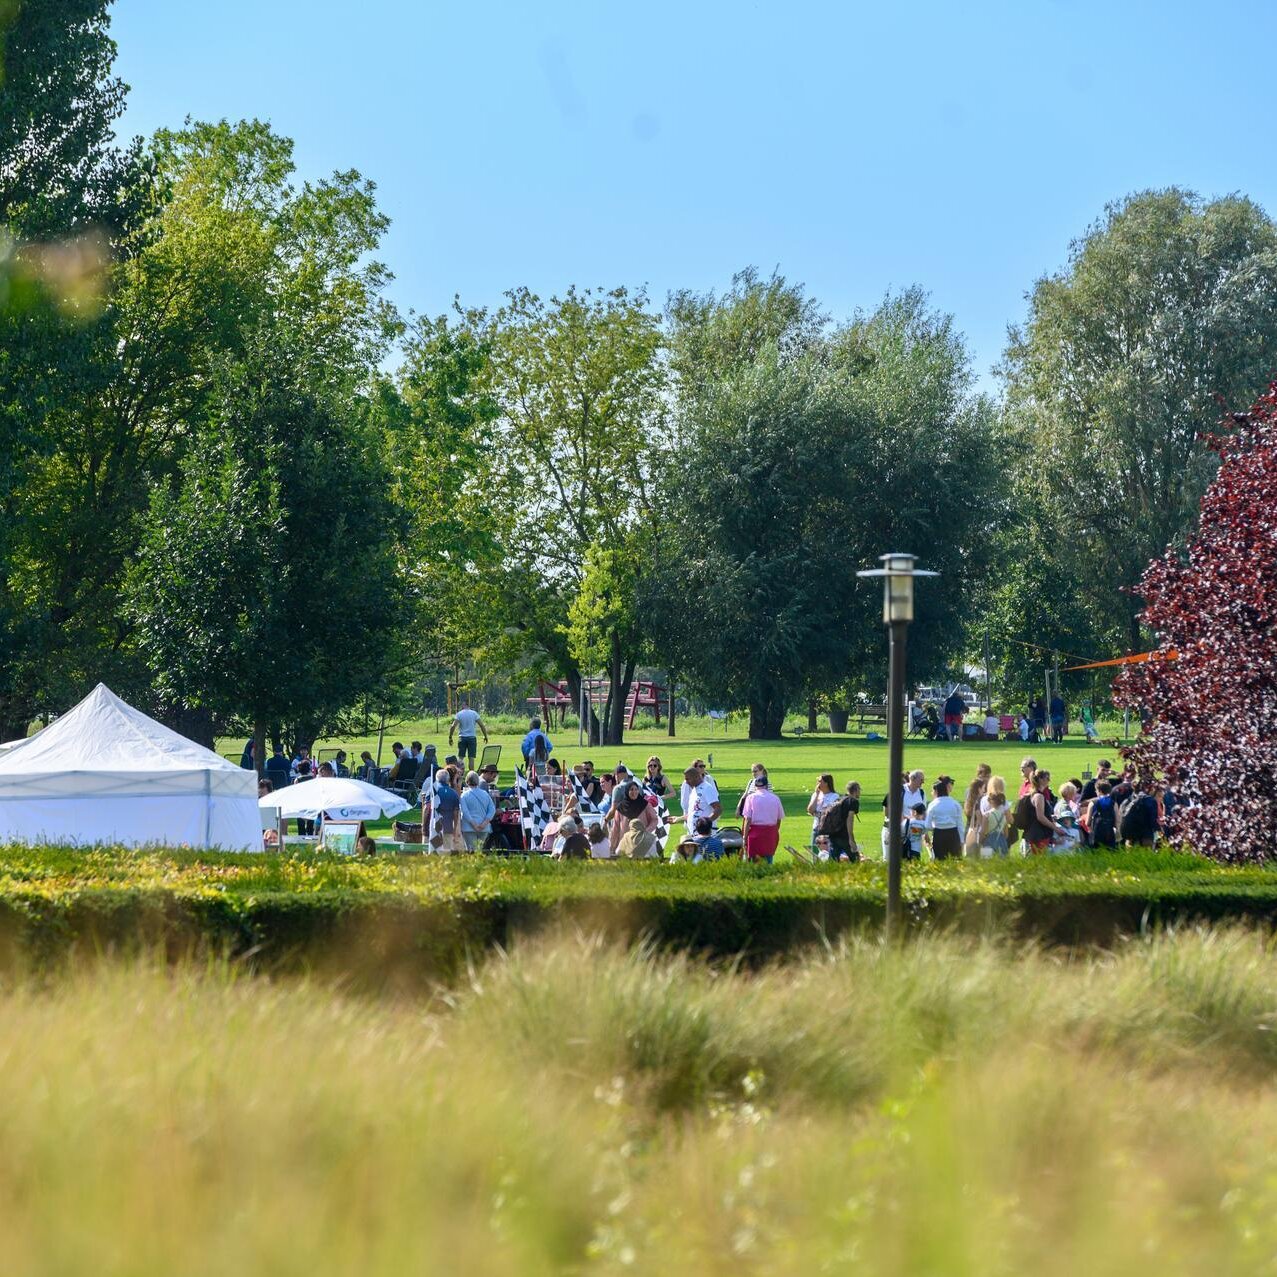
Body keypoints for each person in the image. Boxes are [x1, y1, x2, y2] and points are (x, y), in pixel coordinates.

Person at [740, 772, 784, 863]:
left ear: (755, 786)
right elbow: (779, 819)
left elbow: (748, 819)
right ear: (767, 785)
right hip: (770, 832)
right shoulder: (775, 798)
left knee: (753, 861)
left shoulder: (751, 798)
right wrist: (775, 830)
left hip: (755, 833)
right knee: (768, 860)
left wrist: (744, 836)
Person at [1015, 769, 1060, 854]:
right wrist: (1055, 828)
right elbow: (1040, 817)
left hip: (1030, 834)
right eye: (1047, 778)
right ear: (1040, 779)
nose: (1049, 781)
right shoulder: (1039, 796)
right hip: (1038, 836)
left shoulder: (1030, 795)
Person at [610, 777, 660, 853]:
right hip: (625, 842)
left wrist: (646, 831)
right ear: (627, 791)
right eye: (631, 790)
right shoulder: (620, 808)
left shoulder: (645, 804)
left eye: (636, 789)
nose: (634, 792)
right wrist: (612, 846)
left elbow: (654, 819)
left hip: (641, 840)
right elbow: (616, 828)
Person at [924, 779, 966, 860]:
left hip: (939, 835)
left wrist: (936, 826)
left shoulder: (933, 804)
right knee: (955, 860)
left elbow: (927, 825)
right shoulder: (955, 803)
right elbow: (960, 825)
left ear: (937, 791)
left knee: (940, 861)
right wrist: (962, 841)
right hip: (953, 835)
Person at [459, 771, 496, 852]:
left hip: (468, 827)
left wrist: (474, 824)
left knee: (471, 851)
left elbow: (465, 812)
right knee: (479, 850)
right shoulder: (485, 794)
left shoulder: (464, 795)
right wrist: (485, 823)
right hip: (484, 827)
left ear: (467, 781)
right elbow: (492, 809)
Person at [427, 768, 461, 853]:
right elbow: (456, 814)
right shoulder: (453, 793)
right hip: (448, 828)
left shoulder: (433, 791)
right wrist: (455, 828)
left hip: (435, 828)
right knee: (445, 854)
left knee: (434, 853)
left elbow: (427, 809)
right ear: (448, 779)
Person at [679, 765, 721, 834]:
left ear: (696, 777)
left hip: (705, 835)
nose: (686, 782)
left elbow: (718, 808)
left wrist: (705, 823)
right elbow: (695, 812)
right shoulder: (694, 790)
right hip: (694, 833)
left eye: (688, 779)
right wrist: (678, 819)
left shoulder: (707, 788)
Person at [449, 700, 489, 770]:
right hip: (472, 738)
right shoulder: (474, 713)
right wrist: (485, 736)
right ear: (468, 705)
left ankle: (459, 775)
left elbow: (453, 726)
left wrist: (450, 737)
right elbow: (482, 725)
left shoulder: (459, 714)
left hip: (462, 738)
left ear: (464, 705)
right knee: (471, 758)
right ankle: (471, 775)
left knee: (460, 758)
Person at [806, 773, 838, 852]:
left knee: (827, 854)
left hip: (828, 830)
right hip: (816, 828)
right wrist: (816, 794)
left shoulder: (834, 796)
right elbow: (810, 810)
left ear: (826, 783)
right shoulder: (815, 794)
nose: (818, 783)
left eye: (820, 781)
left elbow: (830, 813)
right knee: (814, 853)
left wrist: (817, 813)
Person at [979, 789, 1011, 857]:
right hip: (1001, 843)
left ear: (990, 801)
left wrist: (980, 841)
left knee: (986, 864)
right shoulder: (1003, 816)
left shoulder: (986, 815)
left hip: (988, 842)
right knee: (1001, 864)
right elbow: (1006, 834)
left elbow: (983, 832)